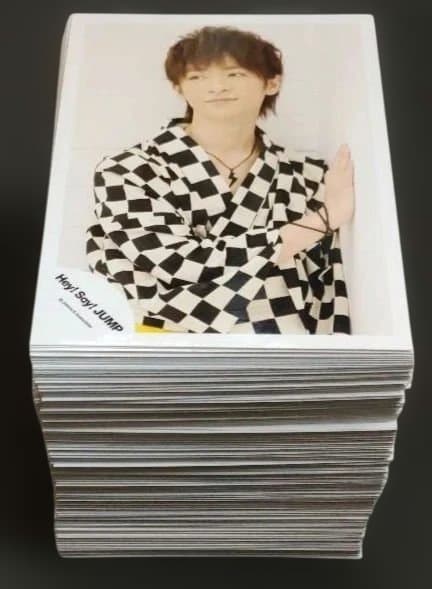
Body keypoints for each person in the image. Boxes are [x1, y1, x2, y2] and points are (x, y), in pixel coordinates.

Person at [86, 26, 354, 335]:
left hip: (280, 344)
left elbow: (326, 285)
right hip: (159, 338)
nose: (216, 87)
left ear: (271, 82)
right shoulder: (127, 169)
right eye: (197, 77)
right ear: (179, 88)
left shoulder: (307, 174)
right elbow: (179, 263)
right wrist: (322, 221)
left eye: (234, 74)